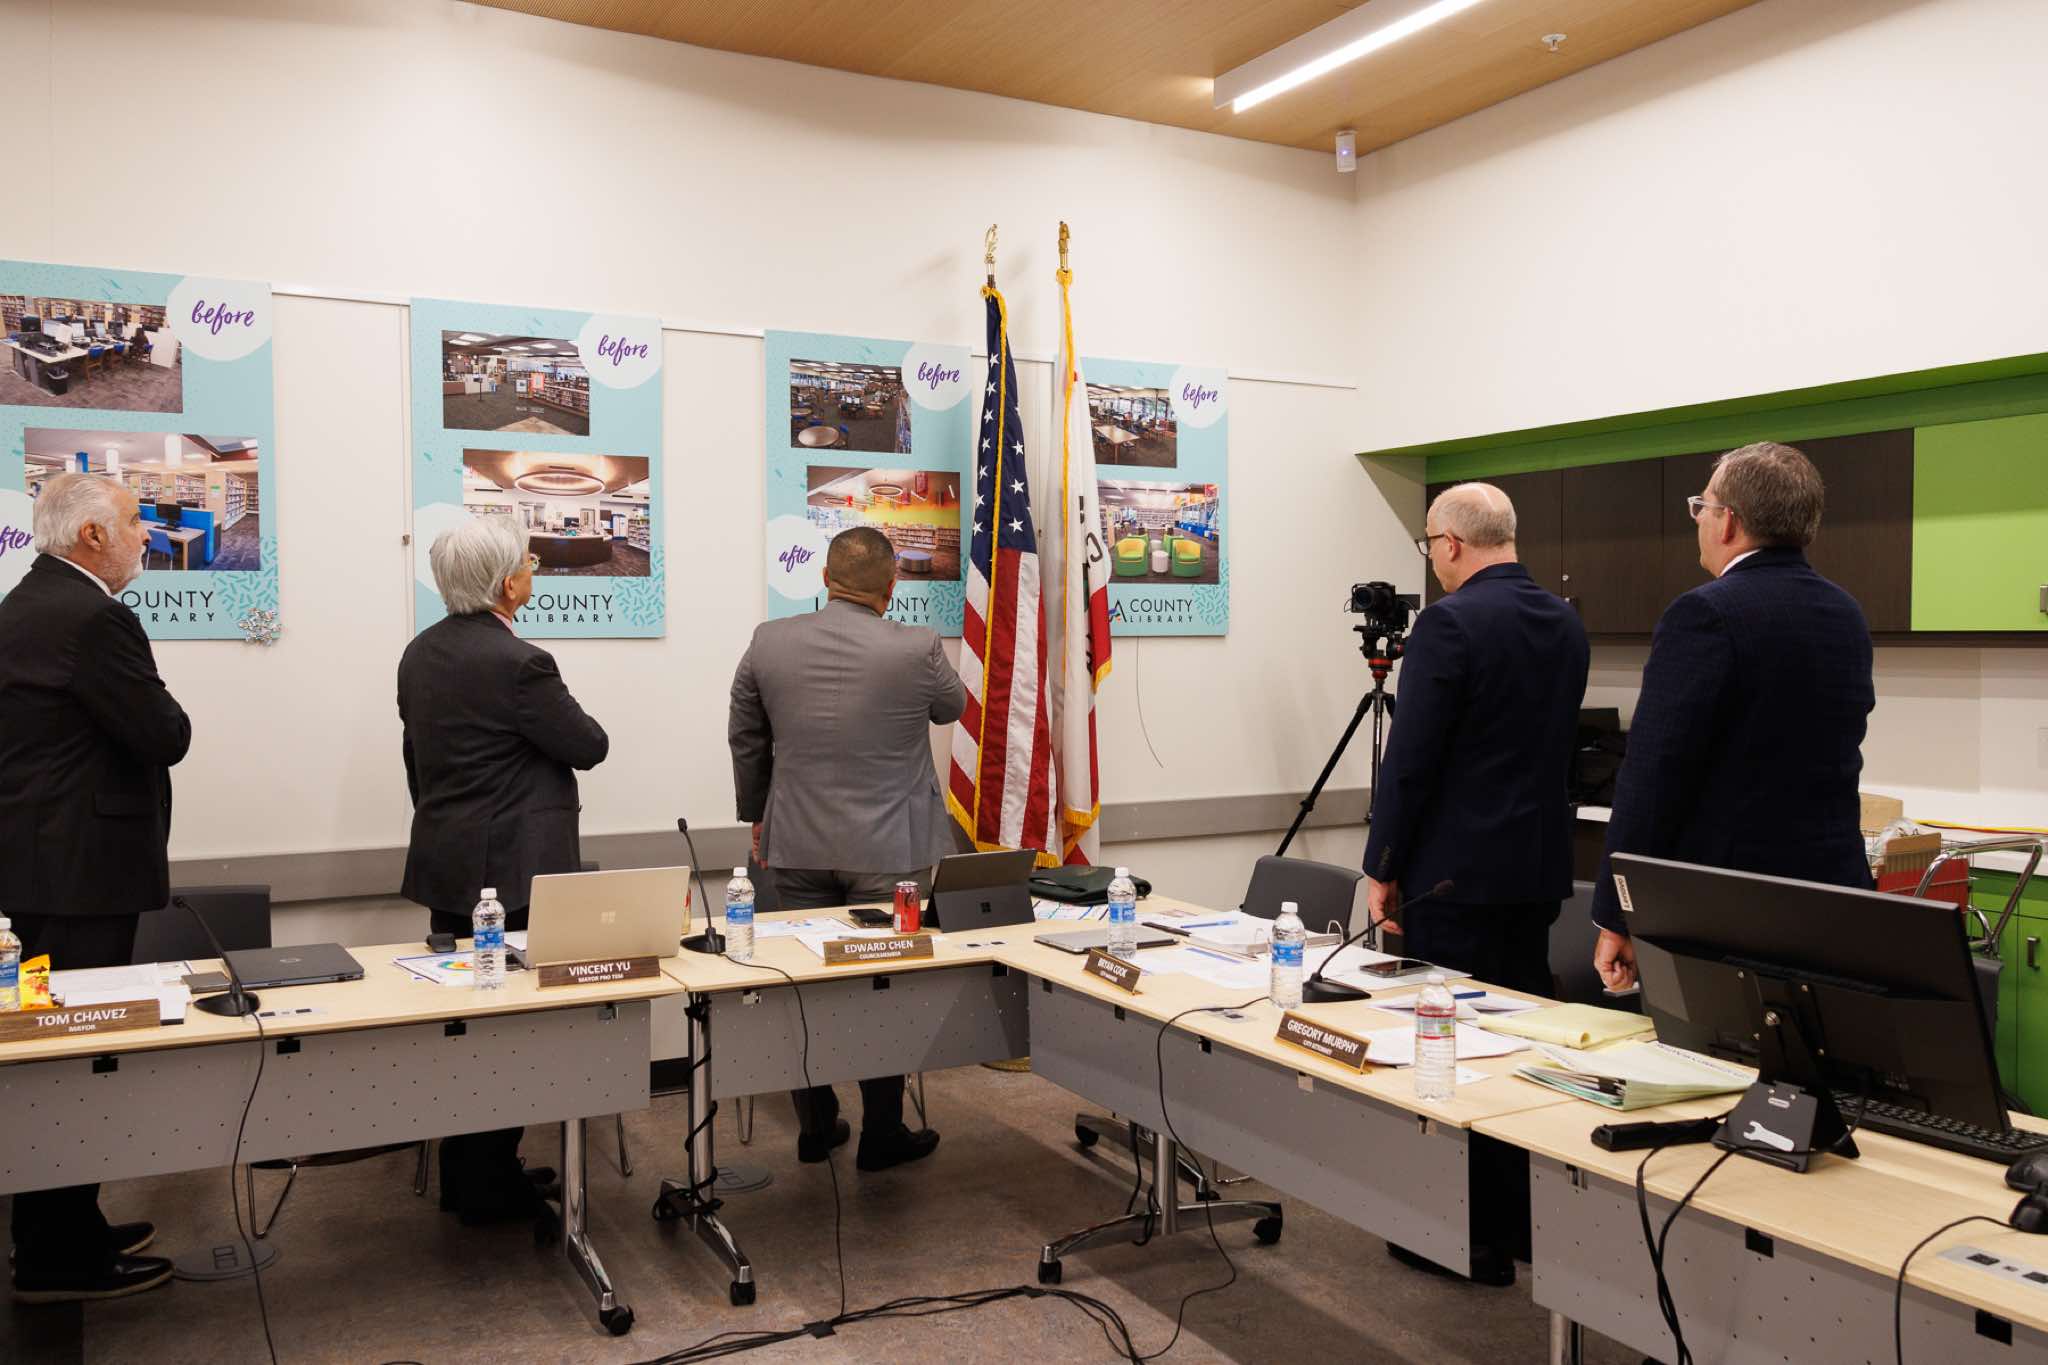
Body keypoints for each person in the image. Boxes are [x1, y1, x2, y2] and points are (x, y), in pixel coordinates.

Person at [1360, 480, 1590, 1289]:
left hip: (1452, 882)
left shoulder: (1448, 623)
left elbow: (1411, 760)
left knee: (1453, 1052)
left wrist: (1381, 863)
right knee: (1521, 1049)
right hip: (1534, 874)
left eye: (1430, 545)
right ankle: (1524, 1224)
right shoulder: (1565, 622)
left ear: (1450, 544)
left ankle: (1467, 1235)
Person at [1591, 442, 1874, 991]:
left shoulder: (1706, 612)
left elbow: (1653, 776)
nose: (1697, 519)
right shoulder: (1845, 612)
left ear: (1728, 522)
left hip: (1726, 912)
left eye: (1702, 506)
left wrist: (1616, 913)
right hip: (1832, 900)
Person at [0, 474, 187, 1303]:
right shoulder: (93, 617)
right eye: (135, 521)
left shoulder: (25, 603)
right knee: (74, 1060)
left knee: (52, 1056)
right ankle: (56, 1256)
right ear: (92, 537)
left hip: (41, 871)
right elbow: (164, 731)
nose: (147, 534)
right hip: (81, 877)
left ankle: (63, 1226)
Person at [728, 527, 965, 1172]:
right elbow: (951, 707)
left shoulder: (768, 641)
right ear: (892, 585)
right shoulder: (917, 645)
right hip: (891, 851)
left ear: (825, 579)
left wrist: (758, 814)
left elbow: (745, 735)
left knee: (802, 983)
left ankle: (816, 1126)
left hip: (796, 842)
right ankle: (882, 1133)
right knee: (883, 987)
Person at [397, 516, 609, 1223]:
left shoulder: (419, 653)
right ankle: (488, 1185)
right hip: (514, 877)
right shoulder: (521, 664)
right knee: (510, 1033)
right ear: (506, 583)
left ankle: (472, 1174)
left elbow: (418, 760)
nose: (532, 571)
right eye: (528, 562)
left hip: (449, 864)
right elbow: (588, 745)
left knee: (467, 1027)